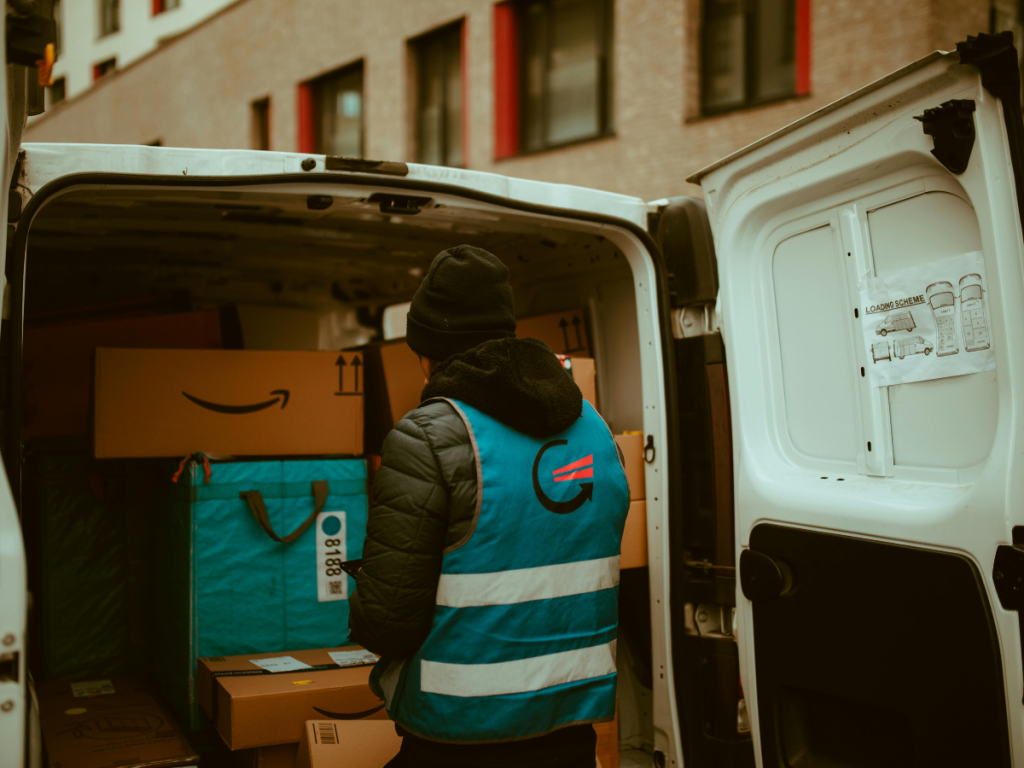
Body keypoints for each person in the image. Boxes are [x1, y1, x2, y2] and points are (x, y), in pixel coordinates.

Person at [349, 245, 630, 768]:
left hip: (459, 732)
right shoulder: (595, 427)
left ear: (427, 351)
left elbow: (386, 624)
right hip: (570, 727)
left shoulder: (428, 436)